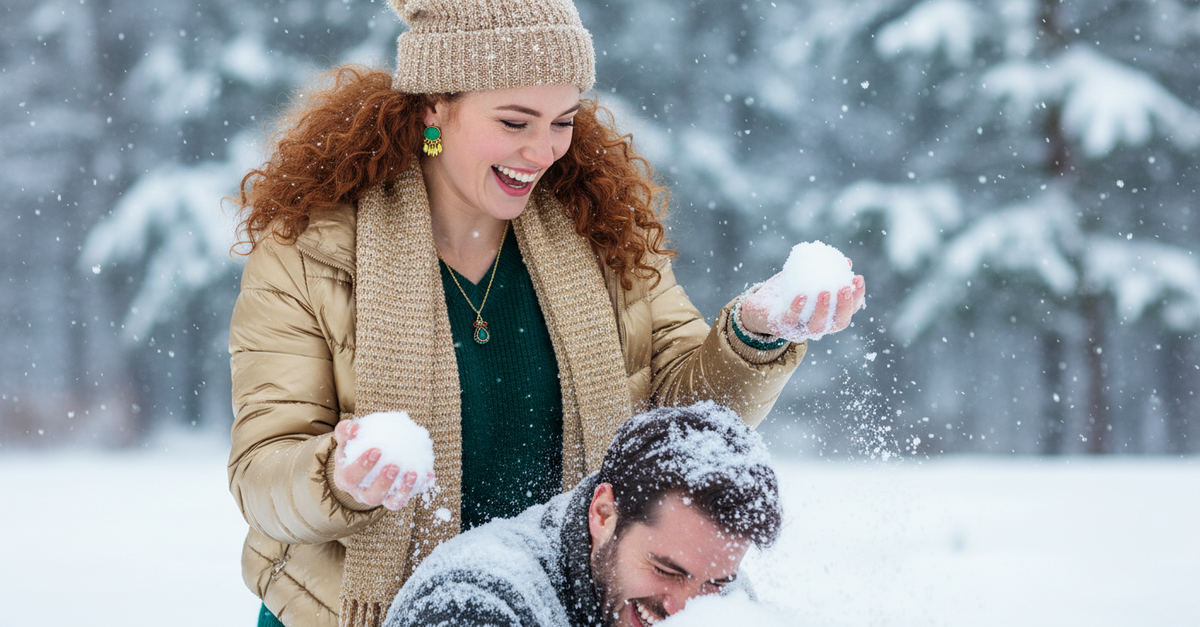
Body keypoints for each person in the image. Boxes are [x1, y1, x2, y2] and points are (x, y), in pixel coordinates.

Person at [227, 0, 865, 626]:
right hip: (350, 614)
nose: (543, 150)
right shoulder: (311, 253)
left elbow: (676, 425)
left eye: (563, 120)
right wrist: (341, 478)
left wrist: (753, 334)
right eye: (514, 121)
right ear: (432, 107)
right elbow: (262, 475)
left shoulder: (602, 232)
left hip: (553, 607)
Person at [383, 402, 782, 627]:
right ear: (604, 513)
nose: (685, 608)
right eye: (666, 572)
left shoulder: (720, 594)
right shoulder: (473, 603)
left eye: (715, 582)